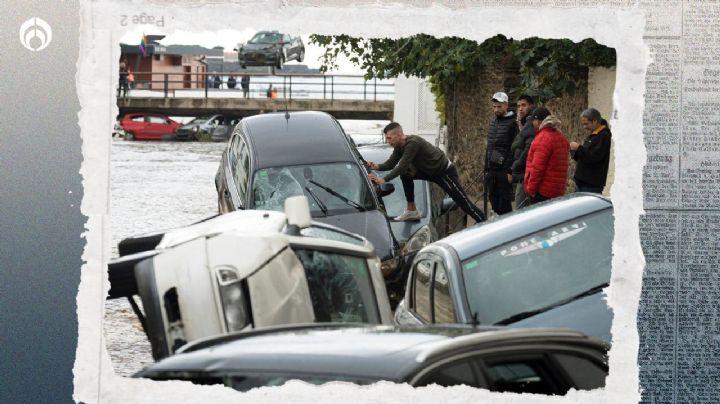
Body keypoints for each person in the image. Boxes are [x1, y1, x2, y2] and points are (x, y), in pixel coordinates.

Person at [366, 122, 486, 223]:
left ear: (398, 135)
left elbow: (402, 165)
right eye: (386, 138)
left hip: (444, 173)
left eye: (389, 138)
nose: (388, 141)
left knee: (463, 203)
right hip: (429, 172)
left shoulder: (413, 143)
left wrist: (384, 179)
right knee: (406, 175)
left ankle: (484, 223)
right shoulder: (399, 147)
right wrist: (376, 166)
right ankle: (411, 210)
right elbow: (390, 164)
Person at [523, 107, 570, 205]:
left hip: (542, 191)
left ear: (538, 121)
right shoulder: (561, 137)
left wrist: (531, 190)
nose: (532, 123)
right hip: (558, 191)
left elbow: (537, 168)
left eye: (533, 120)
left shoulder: (542, 138)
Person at [485, 91, 519, 215]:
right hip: (492, 168)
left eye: (499, 106)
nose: (496, 109)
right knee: (492, 199)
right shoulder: (493, 122)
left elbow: (514, 148)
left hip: (504, 170)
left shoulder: (512, 124)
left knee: (504, 203)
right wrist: (487, 168)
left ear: (506, 105)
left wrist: (510, 170)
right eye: (494, 106)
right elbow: (489, 146)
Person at [570, 108, 612, 193]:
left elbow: (593, 156)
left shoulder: (603, 136)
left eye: (586, 124)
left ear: (594, 121)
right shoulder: (595, 135)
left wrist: (578, 148)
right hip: (584, 183)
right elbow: (584, 157)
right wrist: (574, 150)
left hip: (591, 184)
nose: (584, 127)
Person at [509, 94, 536, 208]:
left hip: (526, 174)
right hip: (523, 173)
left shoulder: (531, 123)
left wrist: (515, 166)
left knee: (520, 209)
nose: (520, 109)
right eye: (518, 106)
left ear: (531, 106)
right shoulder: (525, 122)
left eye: (523, 105)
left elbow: (527, 148)